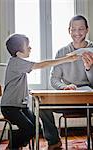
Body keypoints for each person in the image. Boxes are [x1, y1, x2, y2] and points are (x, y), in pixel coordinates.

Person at [0, 33, 78, 150]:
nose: (30, 48)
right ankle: (13, 146)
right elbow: (41, 65)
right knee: (30, 129)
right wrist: (66, 59)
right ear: (19, 52)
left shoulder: (18, 62)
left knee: (36, 127)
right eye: (28, 46)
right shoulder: (16, 62)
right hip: (10, 107)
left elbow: (17, 84)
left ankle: (17, 142)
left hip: (20, 106)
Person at [40, 15, 93, 150]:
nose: (77, 33)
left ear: (87, 30)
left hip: (89, 98)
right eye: (73, 29)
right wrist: (64, 87)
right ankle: (54, 141)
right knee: (42, 105)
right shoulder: (62, 52)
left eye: (81, 29)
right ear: (69, 30)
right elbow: (54, 79)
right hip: (69, 95)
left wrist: (88, 68)